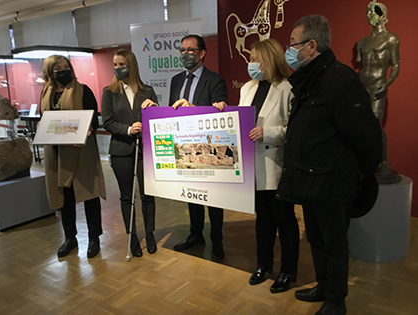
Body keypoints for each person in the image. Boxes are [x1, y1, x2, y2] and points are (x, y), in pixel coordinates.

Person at [276, 15, 382, 315]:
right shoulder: (310, 80)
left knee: (334, 245)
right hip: (310, 180)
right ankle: (323, 286)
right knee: (317, 238)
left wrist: (358, 177)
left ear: (311, 46)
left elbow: (366, 136)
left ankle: (336, 301)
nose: (289, 49)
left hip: (333, 183)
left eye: (292, 44)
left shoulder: (341, 80)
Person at [145, 34, 228, 261]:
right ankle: (196, 235)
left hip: (207, 149)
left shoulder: (215, 80)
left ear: (202, 53)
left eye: (191, 50)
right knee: (192, 195)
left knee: (213, 198)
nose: (186, 54)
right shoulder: (175, 80)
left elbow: (221, 112)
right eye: (182, 50)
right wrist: (155, 109)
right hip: (184, 148)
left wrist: (193, 108)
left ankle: (217, 241)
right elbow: (173, 113)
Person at [228, 38, 299, 293]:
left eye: (255, 58)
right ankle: (263, 265)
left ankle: (289, 271)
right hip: (252, 166)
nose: (251, 63)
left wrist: (267, 132)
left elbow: (294, 129)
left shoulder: (287, 89)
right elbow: (238, 119)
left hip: (276, 165)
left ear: (268, 61)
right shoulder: (247, 88)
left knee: (285, 221)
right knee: (263, 220)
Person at [40, 55, 106, 258]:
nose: (63, 71)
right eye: (58, 68)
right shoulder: (45, 93)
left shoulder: (83, 90)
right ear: (50, 72)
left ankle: (94, 237)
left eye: (66, 67)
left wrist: (88, 130)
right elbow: (46, 119)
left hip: (81, 152)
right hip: (57, 154)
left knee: (89, 193)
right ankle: (70, 238)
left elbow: (93, 116)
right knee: (64, 198)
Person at [102, 49, 158, 257]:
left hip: (144, 150)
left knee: (148, 195)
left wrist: (153, 109)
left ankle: (150, 233)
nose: (118, 68)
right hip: (121, 151)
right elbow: (107, 121)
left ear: (131, 65)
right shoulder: (109, 92)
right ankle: (132, 235)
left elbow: (157, 119)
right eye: (115, 65)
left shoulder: (147, 90)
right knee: (127, 196)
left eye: (121, 64)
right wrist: (127, 129)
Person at [356, 1, 400, 176]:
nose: (369, 15)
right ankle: (365, 161)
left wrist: (387, 84)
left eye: (373, 12)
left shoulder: (391, 39)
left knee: (375, 123)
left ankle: (383, 161)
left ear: (381, 15)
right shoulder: (362, 42)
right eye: (368, 12)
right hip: (363, 84)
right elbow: (361, 65)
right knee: (361, 124)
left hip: (378, 84)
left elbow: (396, 65)